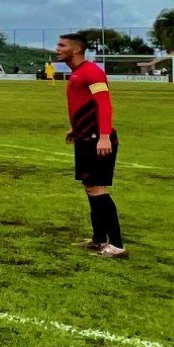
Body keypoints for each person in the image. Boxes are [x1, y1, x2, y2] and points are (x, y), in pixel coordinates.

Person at [57, 33, 126, 258]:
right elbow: (84, 104)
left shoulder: (91, 72)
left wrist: (104, 136)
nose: (57, 48)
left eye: (62, 45)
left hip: (97, 139)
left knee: (98, 189)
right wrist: (74, 127)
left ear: (76, 49)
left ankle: (116, 244)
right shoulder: (77, 73)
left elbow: (104, 104)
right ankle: (99, 239)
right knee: (90, 188)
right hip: (85, 137)